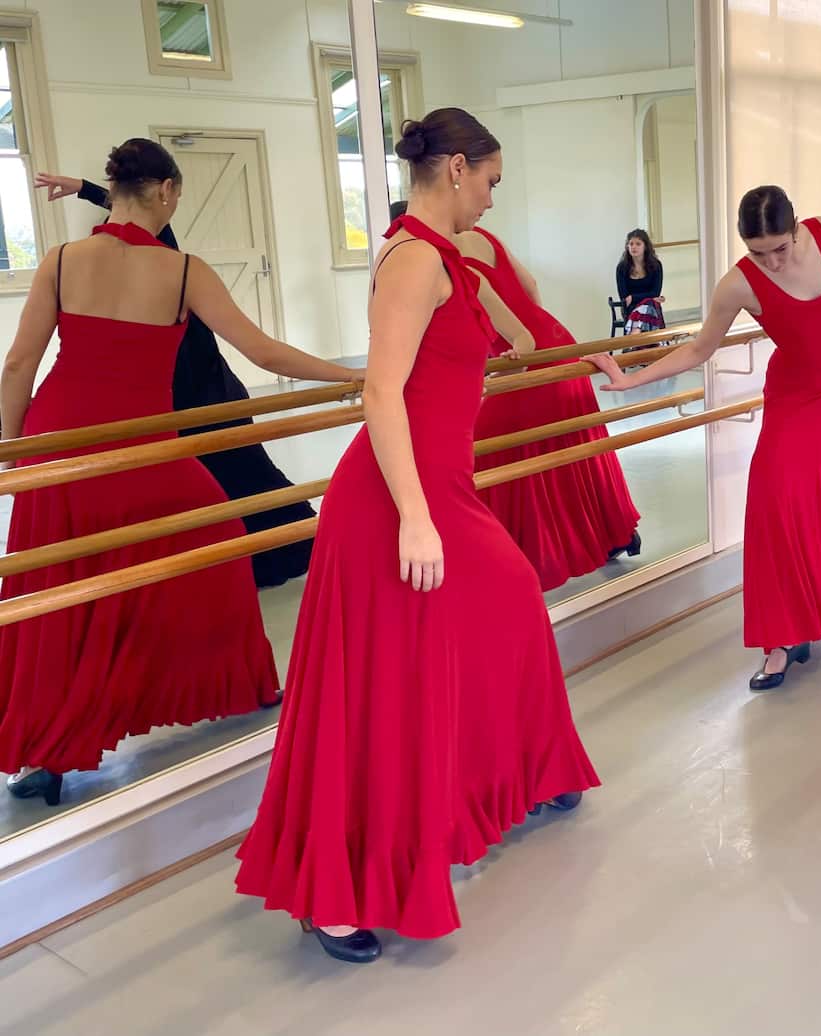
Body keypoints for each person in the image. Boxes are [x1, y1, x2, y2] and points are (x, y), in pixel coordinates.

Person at [235, 109, 599, 965]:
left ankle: (510, 778)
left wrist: (594, 360)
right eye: (491, 183)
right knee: (379, 686)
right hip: (398, 502)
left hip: (438, 491)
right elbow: (381, 395)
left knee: (503, 613)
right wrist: (416, 517)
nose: (492, 200)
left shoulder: (448, 260)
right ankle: (333, 894)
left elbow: (513, 336)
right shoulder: (411, 261)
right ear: (458, 170)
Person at [0, 139, 358, 807]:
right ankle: (234, 685)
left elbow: (19, 364)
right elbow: (261, 347)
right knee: (213, 548)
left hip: (56, 445)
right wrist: (352, 374)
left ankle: (48, 757)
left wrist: (14, 456)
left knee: (62, 593)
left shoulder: (60, 261)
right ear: (164, 192)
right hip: (140, 448)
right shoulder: (183, 270)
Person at [598, 188, 821, 691]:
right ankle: (782, 639)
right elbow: (697, 350)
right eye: (759, 252)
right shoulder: (738, 284)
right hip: (797, 400)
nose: (772, 260)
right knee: (780, 507)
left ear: (797, 227)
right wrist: (629, 378)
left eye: (780, 247)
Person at [34, 171, 322, 590]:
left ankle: (278, 552)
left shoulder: (163, 257)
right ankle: (247, 559)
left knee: (246, 477)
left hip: (206, 393)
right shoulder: (123, 265)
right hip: (176, 402)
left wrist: (85, 188)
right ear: (167, 190)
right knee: (215, 488)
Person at [456, 222, 643, 590]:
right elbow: (531, 287)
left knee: (486, 452)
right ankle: (615, 534)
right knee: (571, 450)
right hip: (554, 343)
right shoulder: (485, 236)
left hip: (520, 357)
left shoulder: (442, 258)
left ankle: (502, 560)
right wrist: (534, 332)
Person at [615, 229, 665, 335]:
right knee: (649, 303)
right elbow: (624, 298)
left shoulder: (656, 266)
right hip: (632, 309)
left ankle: (635, 338)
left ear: (645, 246)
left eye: (638, 244)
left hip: (651, 307)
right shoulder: (622, 268)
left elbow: (655, 293)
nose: (633, 247)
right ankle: (653, 344)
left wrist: (633, 297)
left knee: (649, 304)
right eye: (631, 244)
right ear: (627, 247)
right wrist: (647, 298)